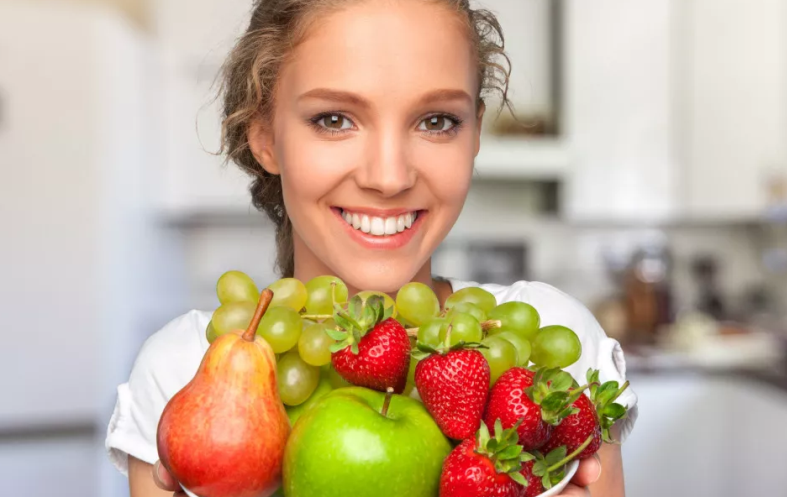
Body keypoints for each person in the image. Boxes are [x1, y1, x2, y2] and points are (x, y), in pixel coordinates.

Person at [106, 0, 639, 495]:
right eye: (334, 120)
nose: (389, 177)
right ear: (264, 135)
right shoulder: (184, 371)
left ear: (475, 133)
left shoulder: (548, 347)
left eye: (436, 122)